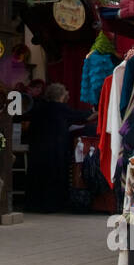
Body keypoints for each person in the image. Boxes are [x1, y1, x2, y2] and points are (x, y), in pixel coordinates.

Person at [24, 83, 91, 212]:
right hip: (54, 149)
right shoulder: (60, 108)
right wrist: (95, 112)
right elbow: (80, 116)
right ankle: (52, 205)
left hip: (37, 149)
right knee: (53, 176)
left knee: (37, 177)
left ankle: (34, 205)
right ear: (61, 95)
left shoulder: (39, 108)